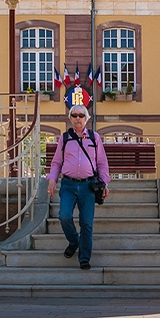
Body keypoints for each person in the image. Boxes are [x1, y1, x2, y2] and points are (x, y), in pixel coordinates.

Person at [45, 101, 111, 270]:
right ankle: (74, 241)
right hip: (68, 184)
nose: (78, 118)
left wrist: (104, 183)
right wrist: (52, 180)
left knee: (86, 223)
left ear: (86, 118)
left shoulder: (94, 138)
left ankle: (84, 258)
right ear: (70, 118)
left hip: (88, 186)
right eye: (74, 115)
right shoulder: (65, 138)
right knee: (64, 216)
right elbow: (56, 162)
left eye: (81, 115)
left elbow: (102, 163)